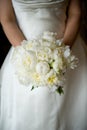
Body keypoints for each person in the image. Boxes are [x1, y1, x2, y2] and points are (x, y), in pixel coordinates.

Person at [0, 0, 87, 130]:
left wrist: (61, 54)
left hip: (67, 47)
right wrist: (28, 55)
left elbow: (75, 13)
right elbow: (7, 19)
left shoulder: (63, 52)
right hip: (23, 50)